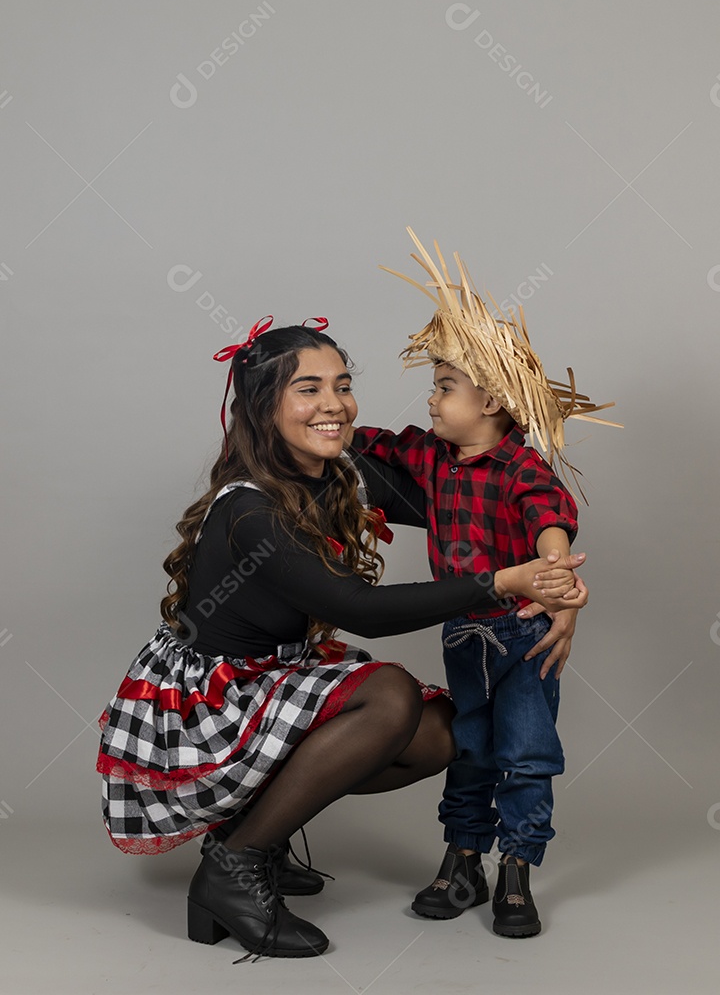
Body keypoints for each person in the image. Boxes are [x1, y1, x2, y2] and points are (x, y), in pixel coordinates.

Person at [96, 319, 588, 960]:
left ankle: (251, 831)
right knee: (389, 696)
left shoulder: (337, 472)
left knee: (442, 730)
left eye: (343, 385)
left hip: (275, 676)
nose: (334, 404)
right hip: (211, 701)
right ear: (264, 407)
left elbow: (482, 500)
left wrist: (555, 587)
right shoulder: (251, 509)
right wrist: (499, 583)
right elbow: (359, 610)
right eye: (309, 389)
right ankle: (235, 866)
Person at [351, 229, 620, 938]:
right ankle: (463, 858)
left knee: (526, 753)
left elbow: (549, 517)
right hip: (464, 630)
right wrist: (329, 424)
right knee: (469, 746)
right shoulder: (431, 457)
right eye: (435, 386)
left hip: (524, 632)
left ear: (493, 400)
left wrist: (554, 573)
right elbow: (372, 443)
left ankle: (517, 870)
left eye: (445, 387)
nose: (432, 399)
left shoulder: (521, 467)